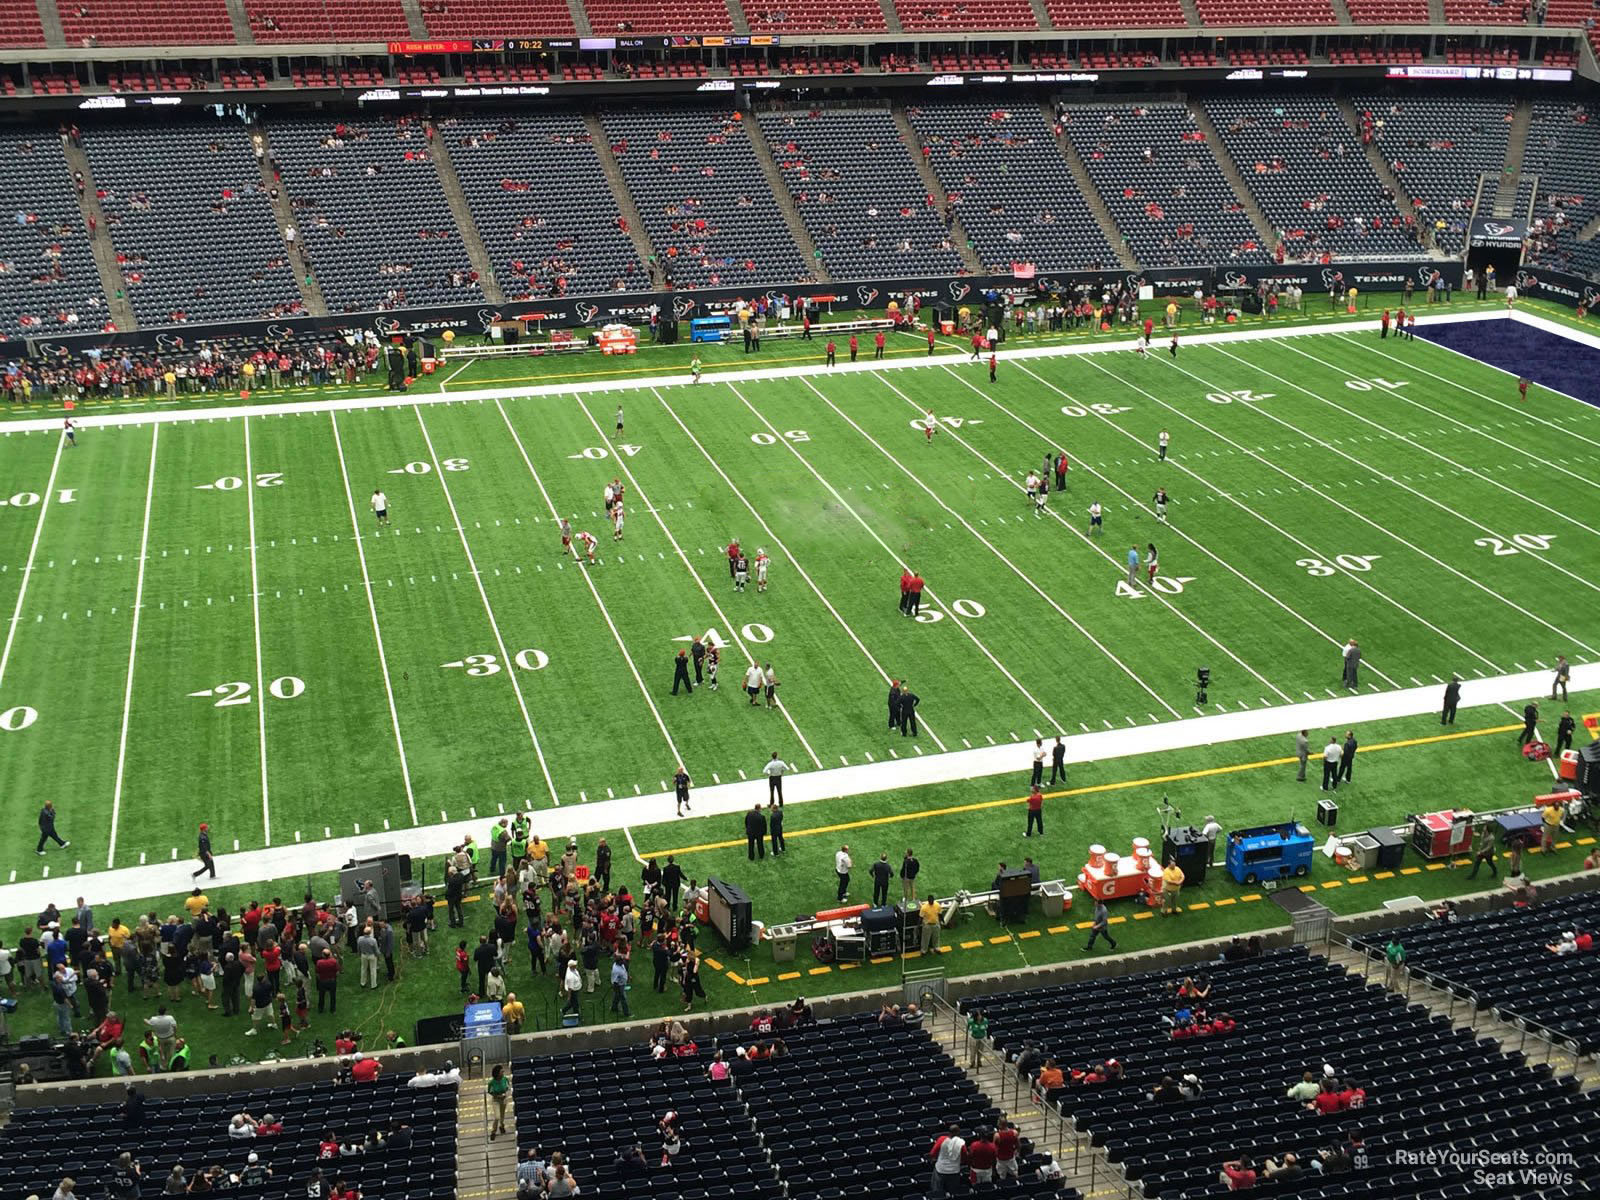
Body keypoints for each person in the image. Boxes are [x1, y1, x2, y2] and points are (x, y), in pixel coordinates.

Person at [928, 1124, 965, 1196]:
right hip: (954, 1171)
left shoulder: (941, 1139)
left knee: (937, 1192)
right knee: (954, 1192)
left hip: (940, 1170)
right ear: (958, 1132)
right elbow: (964, 1158)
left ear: (949, 1132)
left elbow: (932, 1154)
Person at [486, 1064, 510, 1139]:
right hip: (496, 1100)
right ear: (497, 1073)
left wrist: (505, 1094)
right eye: (501, 1072)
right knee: (497, 1117)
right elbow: (490, 1091)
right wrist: (498, 1096)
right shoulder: (491, 1083)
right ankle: (493, 1131)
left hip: (503, 1099)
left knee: (502, 1116)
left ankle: (502, 1126)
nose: (503, 1073)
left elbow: (507, 1087)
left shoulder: (505, 1079)